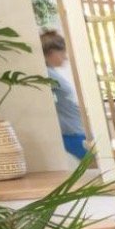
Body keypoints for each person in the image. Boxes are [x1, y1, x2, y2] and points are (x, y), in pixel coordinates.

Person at [40, 29, 88, 160]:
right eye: (62, 52)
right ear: (50, 53)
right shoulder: (46, 74)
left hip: (76, 129)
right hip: (70, 132)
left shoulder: (52, 73)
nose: (65, 57)